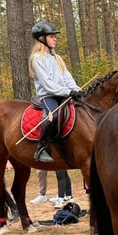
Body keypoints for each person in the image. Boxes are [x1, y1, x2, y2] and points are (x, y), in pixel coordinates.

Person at [29, 21, 82, 163]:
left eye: (54, 37)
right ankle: (41, 148)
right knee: (54, 116)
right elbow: (48, 85)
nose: (55, 39)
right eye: (52, 36)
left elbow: (67, 77)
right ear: (42, 39)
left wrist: (76, 90)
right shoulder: (37, 59)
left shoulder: (57, 58)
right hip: (48, 96)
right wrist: (68, 92)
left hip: (63, 93)